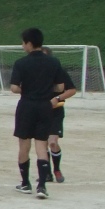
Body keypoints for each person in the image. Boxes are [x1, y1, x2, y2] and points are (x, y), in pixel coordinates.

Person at [10, 29, 75, 199]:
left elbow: (14, 88)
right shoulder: (53, 62)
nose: (22, 46)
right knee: (41, 146)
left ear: (29, 43)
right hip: (45, 107)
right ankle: (42, 186)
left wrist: (27, 88)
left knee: (24, 146)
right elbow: (60, 87)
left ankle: (25, 183)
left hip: (27, 106)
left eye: (23, 42)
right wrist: (45, 88)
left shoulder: (21, 63)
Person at [41, 47, 77, 183]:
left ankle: (57, 169)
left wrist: (58, 98)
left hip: (55, 111)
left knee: (52, 142)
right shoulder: (35, 72)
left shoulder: (59, 72)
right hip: (40, 111)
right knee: (42, 144)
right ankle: (46, 173)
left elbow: (72, 90)